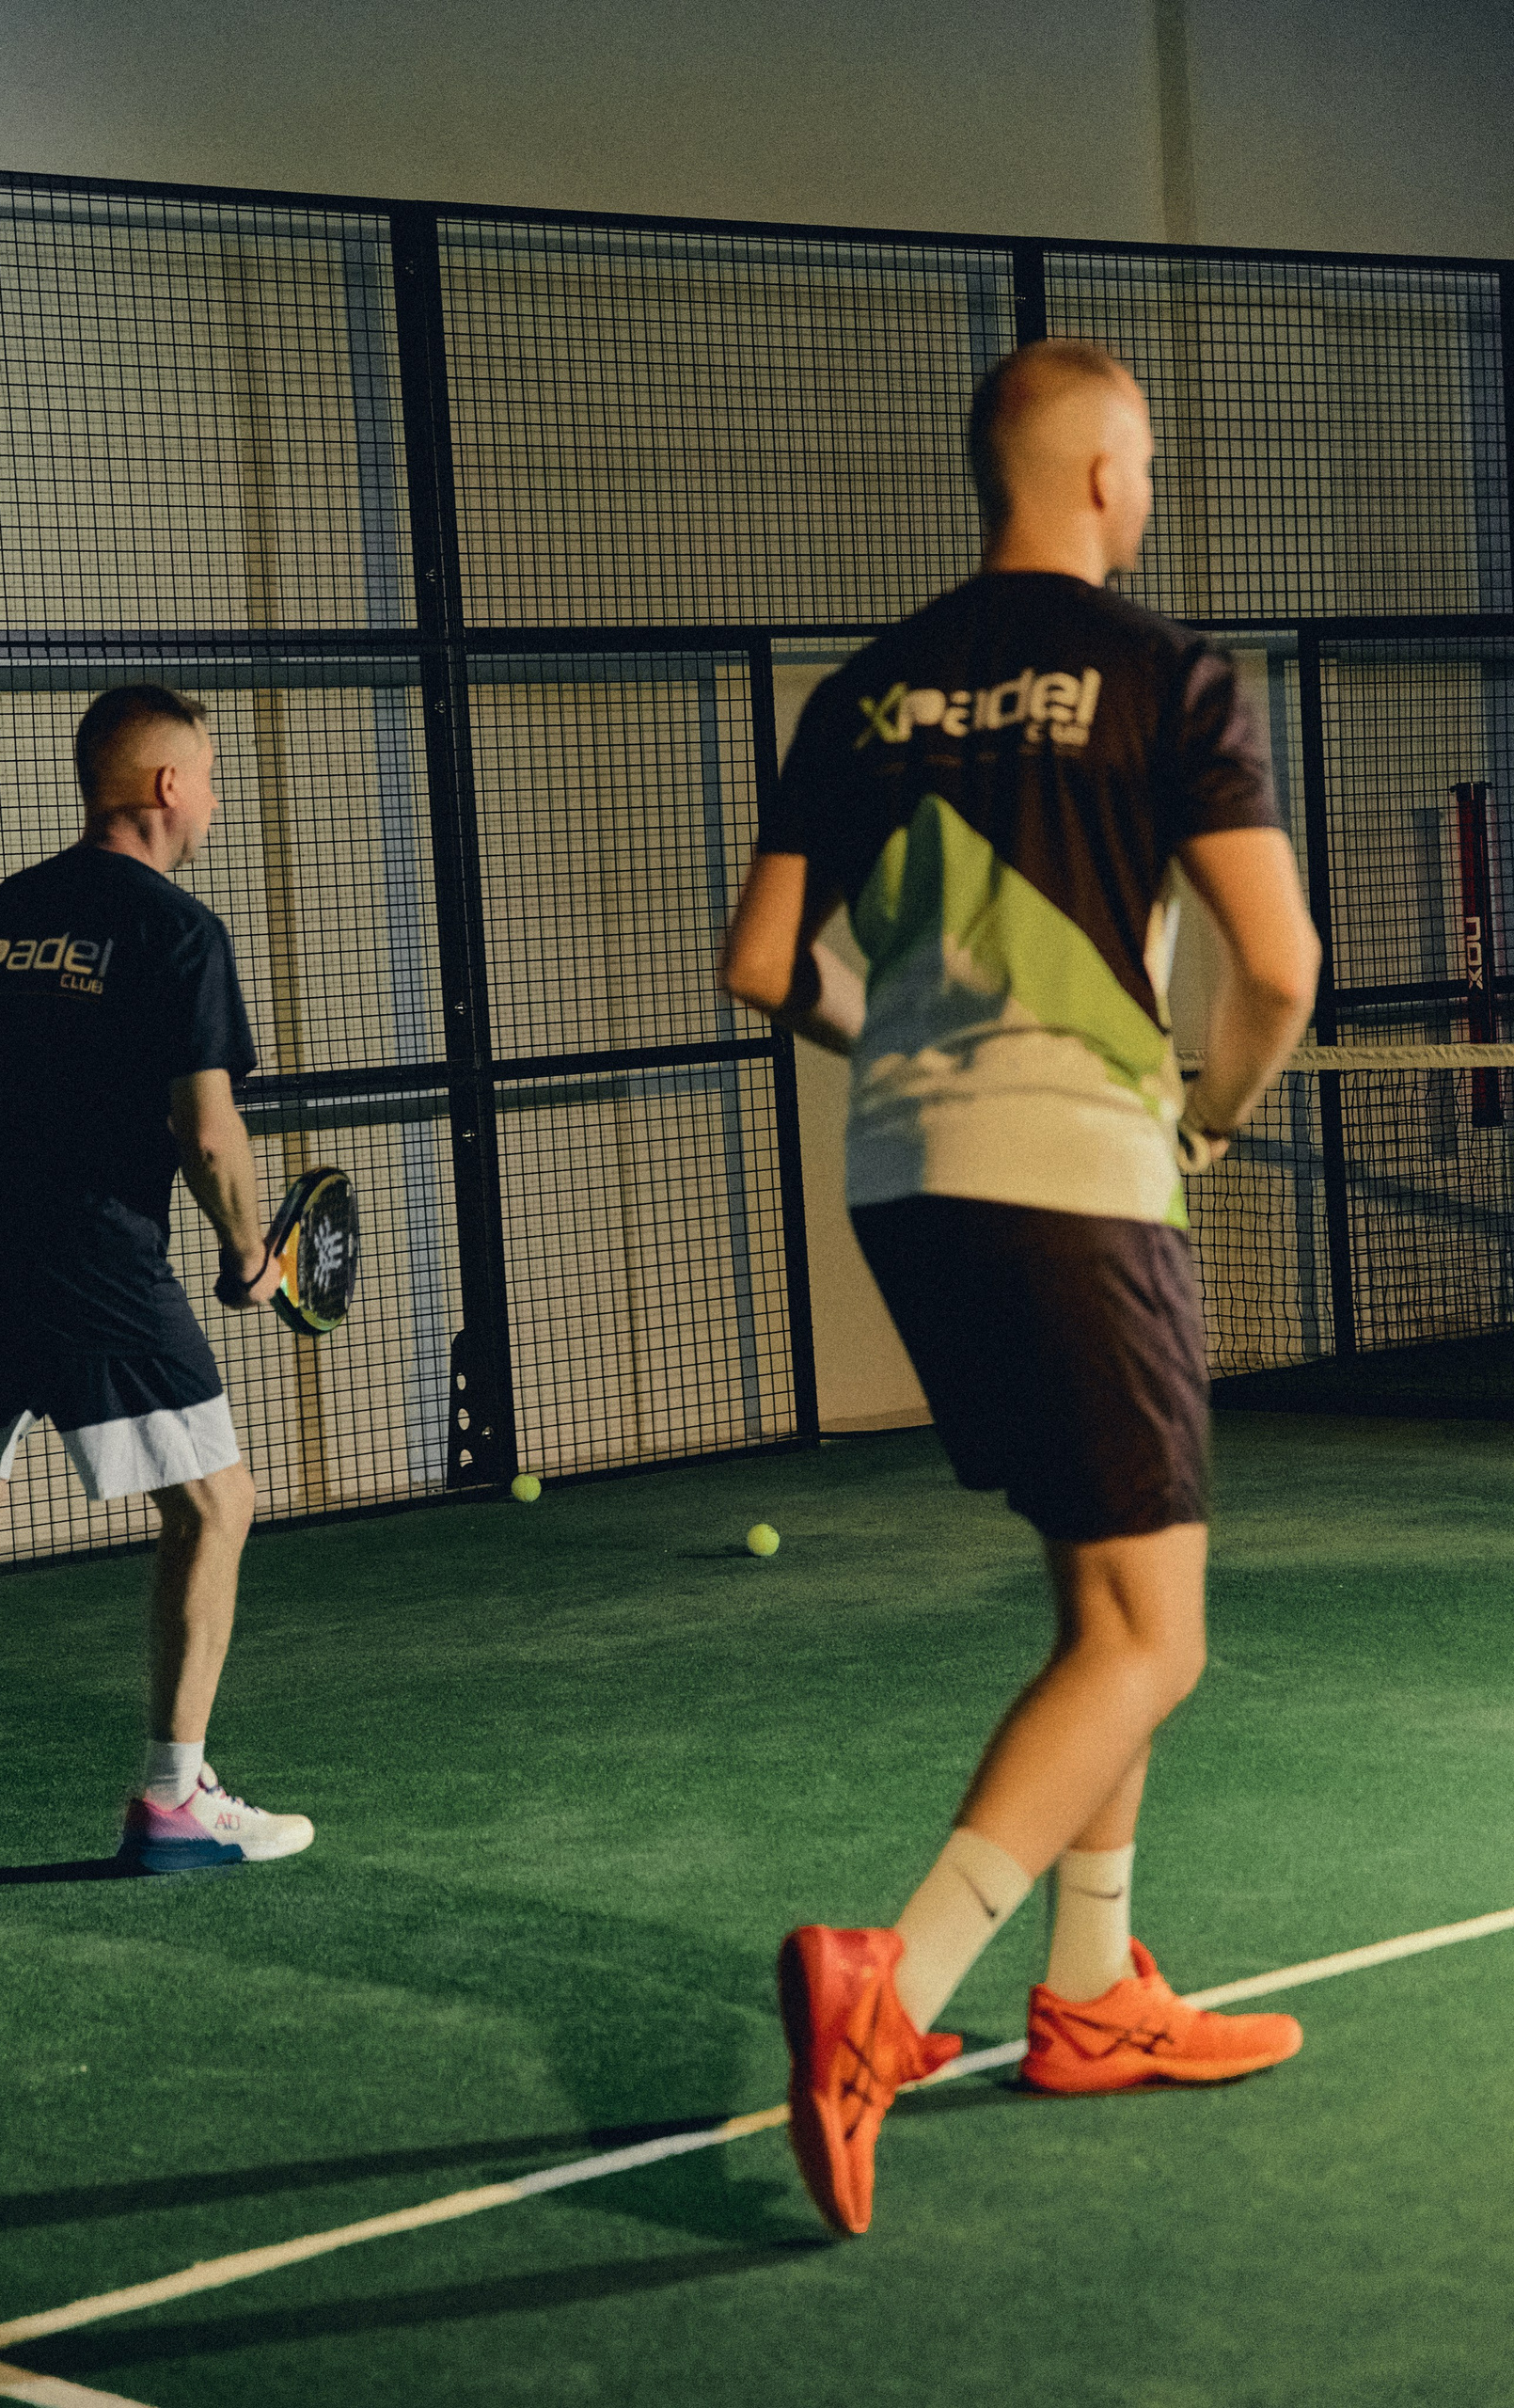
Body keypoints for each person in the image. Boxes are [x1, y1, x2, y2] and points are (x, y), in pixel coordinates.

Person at [719, 341, 1323, 2236]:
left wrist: (910, 1047)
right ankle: (895, 1985)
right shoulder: (1168, 673)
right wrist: (1207, 1114)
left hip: (907, 1181)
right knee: (1158, 1635)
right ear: (1104, 473)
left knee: (1096, 1587)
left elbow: (762, 962)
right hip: (1081, 1178)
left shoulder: (864, 691)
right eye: (1145, 466)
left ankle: (1094, 1987)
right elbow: (1278, 967)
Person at [0, 684, 314, 1877]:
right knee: (215, 1504)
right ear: (168, 785)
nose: (216, 801)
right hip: (90, 1254)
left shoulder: (2, 918)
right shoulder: (180, 931)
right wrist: (249, 1255)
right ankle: (175, 1799)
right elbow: (209, 1132)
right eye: (211, 778)